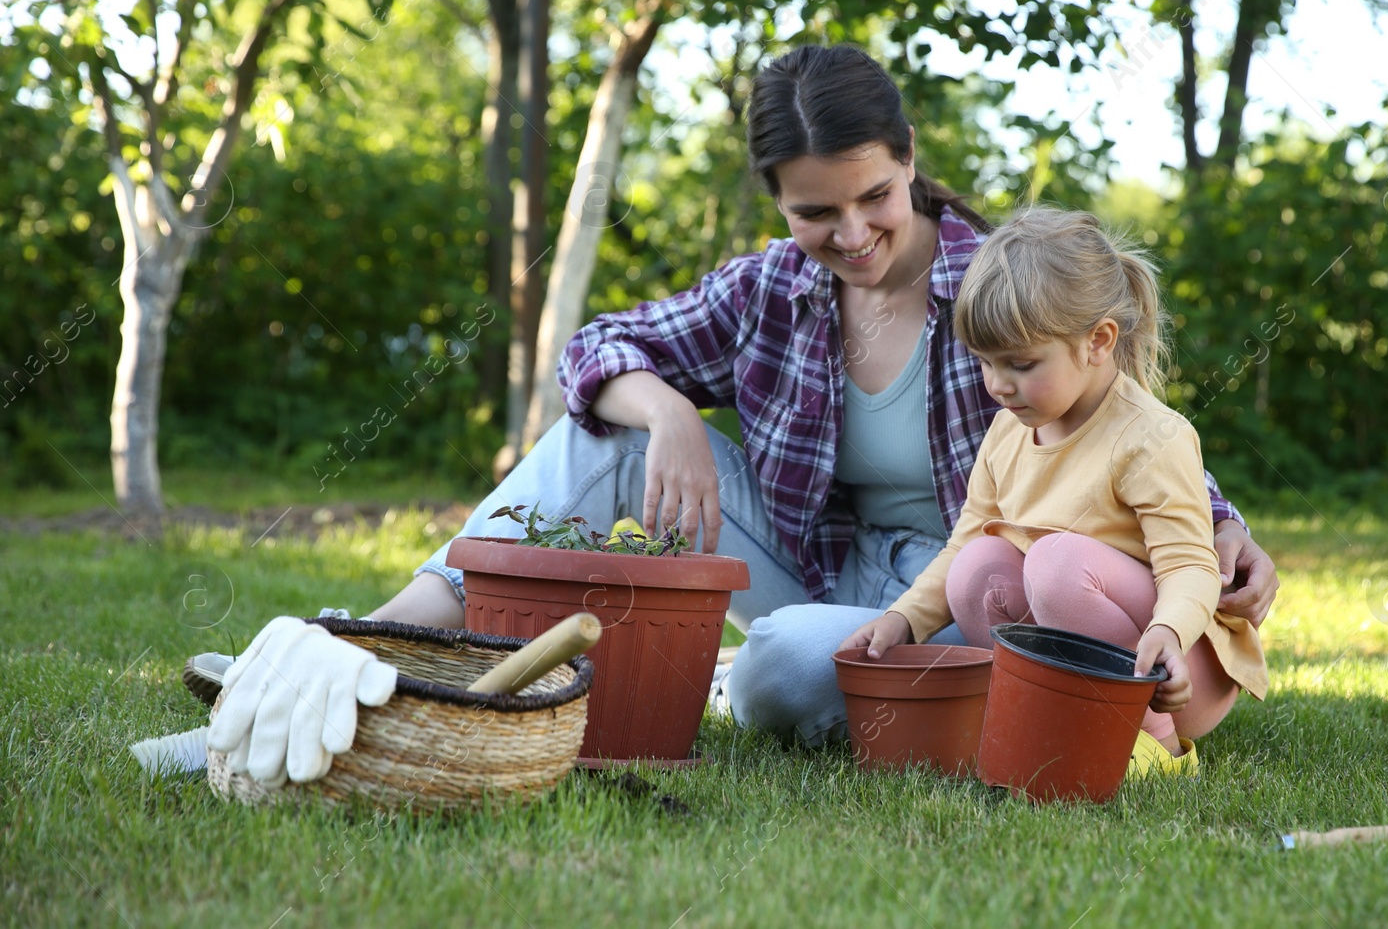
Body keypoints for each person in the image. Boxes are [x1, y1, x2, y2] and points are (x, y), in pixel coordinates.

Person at [205, 44, 1279, 784]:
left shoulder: (993, 282)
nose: (852, 232)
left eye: (873, 197)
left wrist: (1222, 527)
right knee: (598, 433)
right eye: (815, 211)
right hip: (825, 566)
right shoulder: (770, 288)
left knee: (773, 675)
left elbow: (1119, 419)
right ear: (774, 198)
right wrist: (668, 412)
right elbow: (597, 349)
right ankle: (368, 645)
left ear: (908, 158)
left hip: (965, 587)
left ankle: (962, 701)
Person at [841, 207, 1268, 773]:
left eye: (1019, 364)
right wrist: (903, 619)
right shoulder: (1007, 432)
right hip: (1090, 654)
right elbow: (959, 548)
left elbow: (1189, 564)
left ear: (1098, 341)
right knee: (979, 564)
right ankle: (1045, 715)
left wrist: (1167, 631)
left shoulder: (1151, 436)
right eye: (985, 363)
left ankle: (1157, 746)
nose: (997, 385)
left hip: (1176, 667)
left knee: (1055, 561)